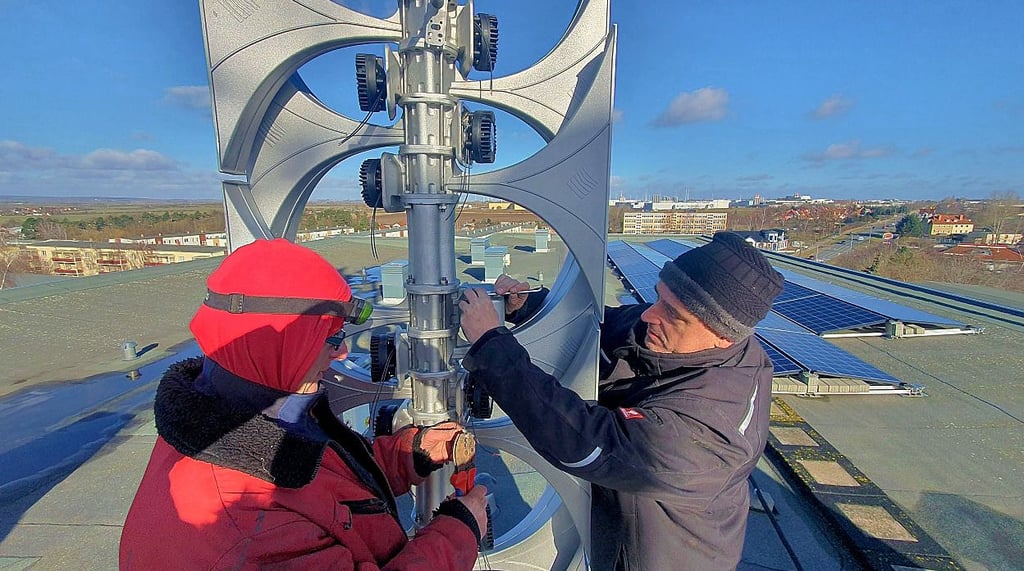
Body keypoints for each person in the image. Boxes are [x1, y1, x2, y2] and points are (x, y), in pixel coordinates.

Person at [120, 238, 486, 570]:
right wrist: (460, 530)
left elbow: (326, 484)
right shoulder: (245, 528)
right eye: (330, 338)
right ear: (282, 347)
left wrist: (413, 452)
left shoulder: (241, 417)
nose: (342, 353)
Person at [458, 231, 784, 571]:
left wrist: (491, 344)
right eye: (658, 297)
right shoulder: (678, 334)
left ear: (722, 335)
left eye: (673, 313)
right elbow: (604, 331)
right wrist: (531, 306)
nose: (649, 315)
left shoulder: (709, 429)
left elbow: (582, 442)